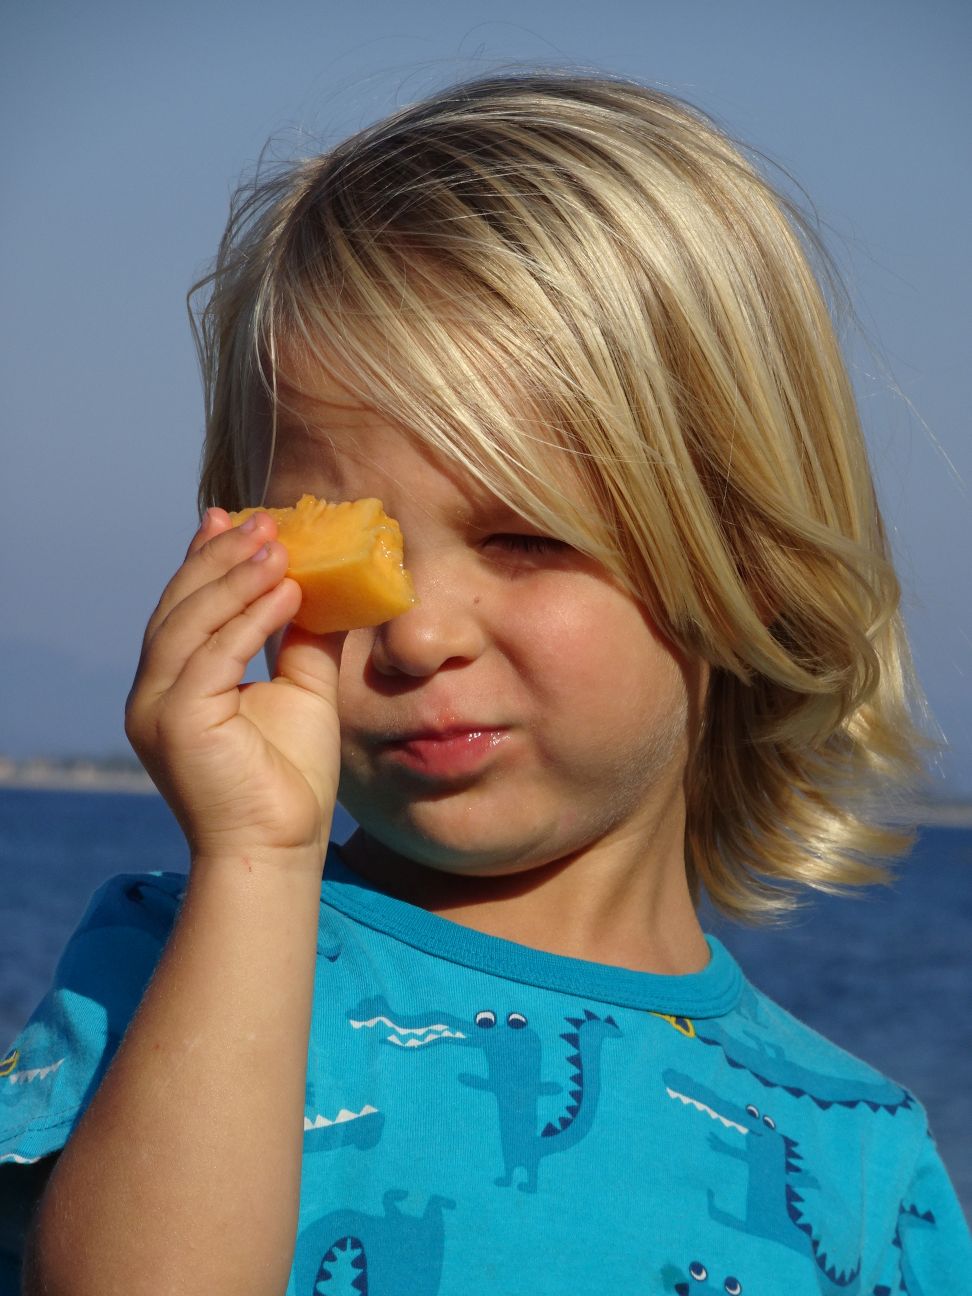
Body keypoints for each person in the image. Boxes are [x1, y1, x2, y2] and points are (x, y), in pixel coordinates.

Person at [2, 71, 968, 1295]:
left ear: (749, 565)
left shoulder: (861, 1163)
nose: (415, 637)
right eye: (346, 549)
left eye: (523, 539)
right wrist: (254, 864)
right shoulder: (180, 971)